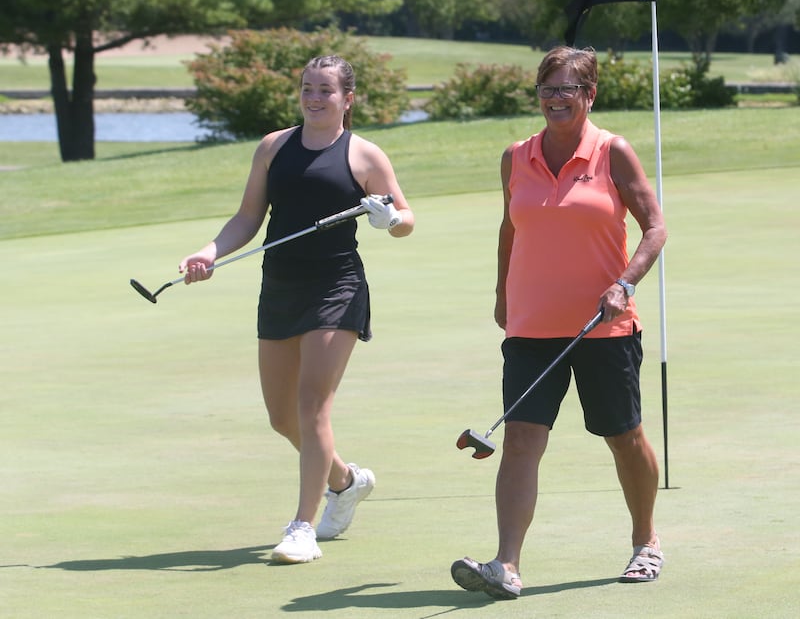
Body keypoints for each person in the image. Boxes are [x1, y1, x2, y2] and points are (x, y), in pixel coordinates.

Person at [178, 55, 414, 564]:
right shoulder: (273, 147)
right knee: (283, 417)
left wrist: (386, 216)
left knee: (312, 408)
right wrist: (209, 252)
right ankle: (347, 481)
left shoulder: (364, 155)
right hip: (280, 288)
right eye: (307, 88)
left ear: (347, 99)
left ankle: (302, 527)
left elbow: (406, 218)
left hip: (336, 287)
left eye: (325, 90)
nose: (314, 98)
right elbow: (247, 218)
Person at [450, 46, 667, 599]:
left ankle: (646, 541)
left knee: (623, 437)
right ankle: (506, 565)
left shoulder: (613, 152)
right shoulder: (515, 156)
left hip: (603, 325)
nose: (555, 99)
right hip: (531, 326)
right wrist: (502, 293)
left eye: (567, 89)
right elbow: (509, 228)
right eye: (547, 89)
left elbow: (655, 229)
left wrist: (626, 282)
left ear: (589, 95)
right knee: (522, 439)